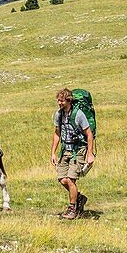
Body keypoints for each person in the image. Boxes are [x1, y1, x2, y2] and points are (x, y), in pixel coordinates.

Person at [50, 88, 95, 219]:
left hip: (78, 150)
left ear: (68, 101)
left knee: (71, 180)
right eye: (58, 100)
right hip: (65, 150)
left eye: (61, 101)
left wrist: (90, 154)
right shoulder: (58, 115)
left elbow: (89, 134)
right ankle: (79, 198)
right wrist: (53, 153)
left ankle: (72, 209)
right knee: (62, 179)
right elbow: (57, 133)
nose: (59, 103)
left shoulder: (79, 114)